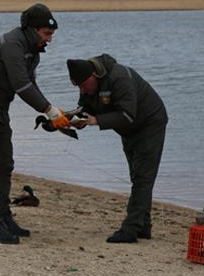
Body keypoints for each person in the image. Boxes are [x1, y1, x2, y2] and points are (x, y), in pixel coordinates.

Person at [0, 3, 69, 244]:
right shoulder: (12, 45)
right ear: (32, 30)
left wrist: (55, 111)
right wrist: (49, 110)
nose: (49, 40)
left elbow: (31, 84)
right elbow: (21, 86)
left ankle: (3, 216)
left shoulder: (31, 49)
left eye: (52, 34)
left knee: (5, 164)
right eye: (46, 34)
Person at [66, 54, 168, 243]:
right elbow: (86, 108)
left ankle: (130, 230)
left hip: (150, 123)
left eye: (83, 85)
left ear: (94, 75)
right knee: (136, 176)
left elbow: (127, 115)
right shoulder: (87, 84)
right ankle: (143, 226)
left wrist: (95, 121)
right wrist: (67, 119)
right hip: (128, 130)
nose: (82, 89)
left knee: (142, 178)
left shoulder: (120, 78)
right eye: (77, 86)